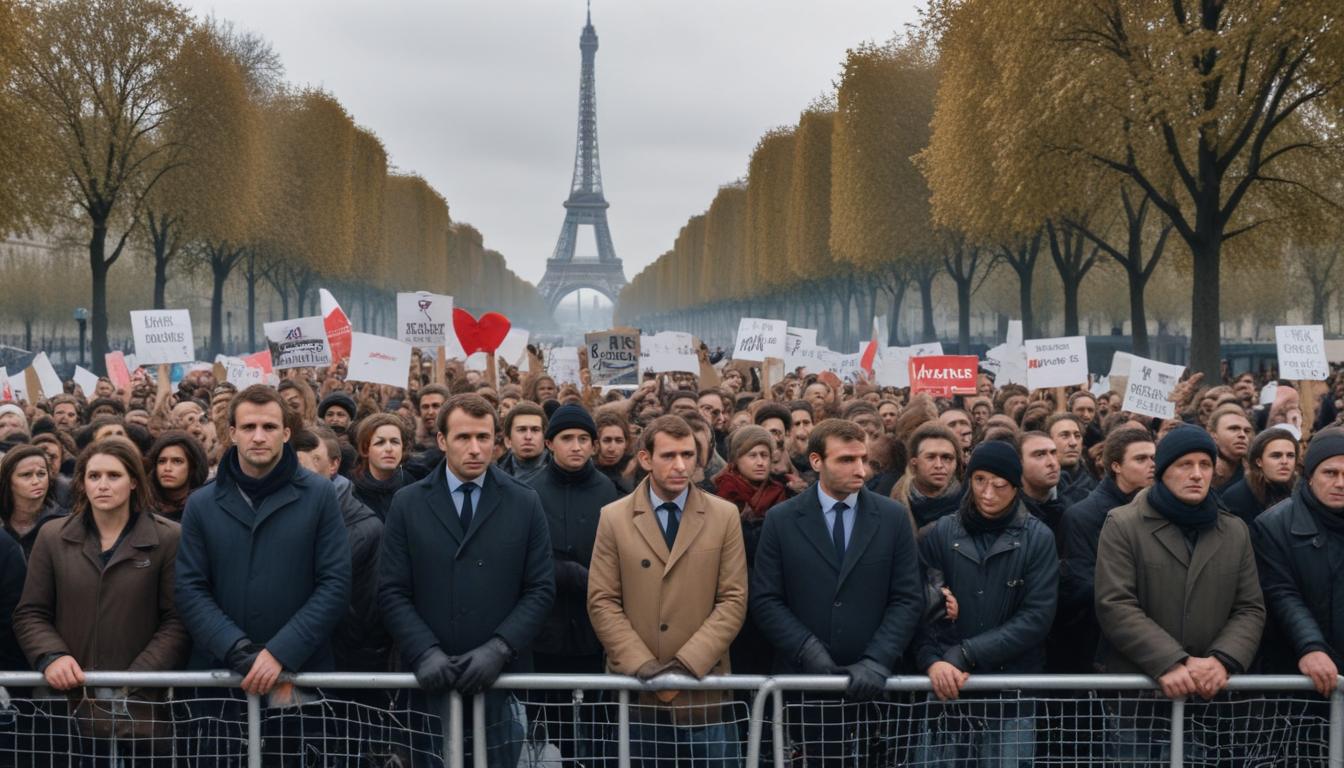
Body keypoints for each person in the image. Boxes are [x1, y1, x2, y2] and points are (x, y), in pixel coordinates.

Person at [174, 385, 352, 760]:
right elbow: (190, 588)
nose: (258, 436)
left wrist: (280, 653)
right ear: (232, 432)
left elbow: (334, 584)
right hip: (221, 679)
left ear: (286, 433)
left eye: (269, 427)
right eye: (249, 427)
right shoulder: (202, 503)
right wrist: (238, 650)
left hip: (299, 675)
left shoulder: (319, 495)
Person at [379, 394, 555, 767]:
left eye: (483, 437)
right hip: (429, 684)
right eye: (463, 437)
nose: (475, 448)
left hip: (500, 686)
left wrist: (500, 648)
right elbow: (392, 590)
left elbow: (540, 588)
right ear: (442, 440)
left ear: (496, 441)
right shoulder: (408, 503)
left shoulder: (524, 502)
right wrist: (423, 650)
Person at [751, 418, 923, 764]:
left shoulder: (893, 517)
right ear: (816, 461)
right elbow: (766, 598)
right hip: (806, 687)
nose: (860, 470)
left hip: (877, 690)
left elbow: (907, 597)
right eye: (846, 460)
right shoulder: (781, 519)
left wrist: (876, 660)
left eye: (863, 459)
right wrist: (807, 649)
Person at [1094, 426, 1264, 764]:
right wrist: (1170, 661)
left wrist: (1222, 660)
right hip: (1141, 697)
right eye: (1185, 464)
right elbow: (1115, 603)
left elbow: (1249, 608)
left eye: (1205, 464)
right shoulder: (1124, 524)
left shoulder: (1234, 531)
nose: (1197, 474)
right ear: (1163, 470)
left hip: (1211, 697)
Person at [14, 438, 189, 762]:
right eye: (94, 476)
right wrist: (52, 656)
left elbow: (177, 620)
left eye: (113, 475)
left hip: (142, 710)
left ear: (134, 481)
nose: (103, 485)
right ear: (82, 482)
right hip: (69, 706)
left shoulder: (168, 538)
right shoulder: (52, 537)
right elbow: (31, 613)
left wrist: (134, 680)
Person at [587, 414, 748, 765]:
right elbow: (603, 600)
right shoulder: (614, 517)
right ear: (646, 459)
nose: (680, 465)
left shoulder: (724, 516)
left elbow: (733, 598)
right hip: (638, 692)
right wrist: (641, 663)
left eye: (688, 455)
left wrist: (687, 663)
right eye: (669, 455)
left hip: (702, 689)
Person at [914, 440, 1057, 766]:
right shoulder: (939, 534)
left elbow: (1036, 617)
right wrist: (932, 662)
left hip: (1011, 693)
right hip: (948, 688)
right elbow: (919, 609)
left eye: (1000, 484)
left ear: (1016, 487)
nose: (988, 493)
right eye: (979, 481)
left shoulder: (1038, 538)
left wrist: (967, 653)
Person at [1057, 427, 1155, 673]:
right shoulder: (1082, 517)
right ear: (1116, 466)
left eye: (1154, 458)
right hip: (1099, 644)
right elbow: (1082, 585)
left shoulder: (1158, 511)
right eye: (1141, 459)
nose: (1152, 465)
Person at [1253, 429, 1344, 695]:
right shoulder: (1273, 526)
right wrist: (1311, 645)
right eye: (1330, 473)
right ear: (1310, 476)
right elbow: (1282, 593)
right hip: (1300, 676)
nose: (1340, 483)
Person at [293, 427, 389, 674]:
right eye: (297, 459)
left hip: (343, 663)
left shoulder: (367, 529)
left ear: (334, 465)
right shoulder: (282, 515)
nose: (304, 467)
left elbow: (367, 611)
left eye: (315, 458)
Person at [713, 425, 789, 675]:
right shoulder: (717, 495)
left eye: (764, 455)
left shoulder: (786, 494)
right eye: (752, 455)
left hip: (774, 596)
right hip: (730, 598)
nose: (760, 462)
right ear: (736, 459)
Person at [890, 422, 963, 530]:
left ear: (956, 463)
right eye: (930, 457)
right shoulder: (893, 506)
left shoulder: (969, 503)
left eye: (947, 458)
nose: (939, 465)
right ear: (914, 462)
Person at [1221, 426, 1298, 525]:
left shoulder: (1302, 492)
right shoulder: (1237, 498)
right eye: (1276, 456)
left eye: (1290, 456)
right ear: (1259, 461)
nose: (1285, 461)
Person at [0, 444, 66, 557]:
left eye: (41, 474)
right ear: (8, 480)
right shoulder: (2, 521)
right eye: (26, 475)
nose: (36, 481)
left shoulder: (63, 522)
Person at [350, 413, 412, 520]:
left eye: (395, 442)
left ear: (403, 448)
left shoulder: (411, 485)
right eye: (380, 442)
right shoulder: (351, 490)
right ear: (366, 448)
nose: (389, 449)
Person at [144, 431, 209, 521]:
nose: (167, 468)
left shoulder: (204, 508)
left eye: (177, 461)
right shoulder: (142, 506)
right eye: (162, 461)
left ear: (192, 467)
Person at [1018, 431, 1065, 546]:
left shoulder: (1071, 508)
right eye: (1040, 455)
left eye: (1053, 453)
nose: (1052, 462)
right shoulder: (1009, 515)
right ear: (1019, 463)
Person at [1049, 413, 1095, 504]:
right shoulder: (1039, 489)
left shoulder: (1097, 486)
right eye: (1064, 435)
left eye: (1077, 436)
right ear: (1049, 441)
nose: (1073, 443)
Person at [497, 401, 548, 483]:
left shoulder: (562, 474)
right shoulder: (493, 476)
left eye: (535, 430)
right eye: (521, 430)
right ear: (508, 441)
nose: (528, 437)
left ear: (545, 438)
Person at [1207, 405, 1253, 492]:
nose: (1242, 435)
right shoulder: (1199, 469)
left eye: (1247, 431)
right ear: (1214, 435)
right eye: (1233, 429)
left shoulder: (1257, 474)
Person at [594, 411, 635, 493]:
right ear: (596, 443)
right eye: (607, 440)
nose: (612, 449)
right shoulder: (585, 470)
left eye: (619, 441)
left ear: (626, 443)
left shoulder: (635, 468)